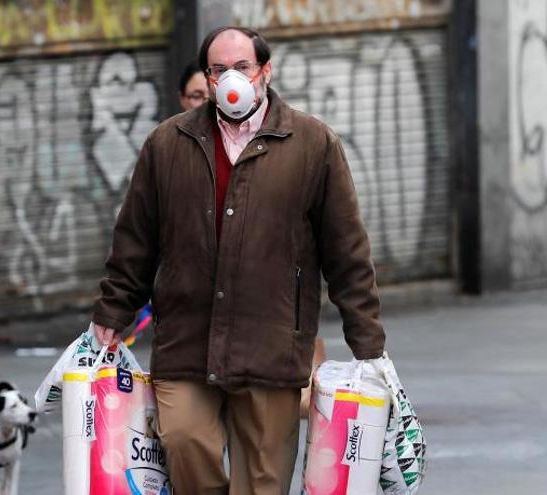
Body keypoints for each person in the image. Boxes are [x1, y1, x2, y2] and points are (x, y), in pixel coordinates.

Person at [91, 26, 385, 495]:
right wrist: (112, 312)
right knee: (184, 444)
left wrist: (367, 343)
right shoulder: (168, 145)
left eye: (242, 67)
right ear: (206, 78)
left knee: (264, 485)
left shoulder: (312, 144)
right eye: (219, 69)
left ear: (265, 71)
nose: (231, 78)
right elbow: (134, 241)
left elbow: (346, 251)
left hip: (270, 349)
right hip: (186, 344)